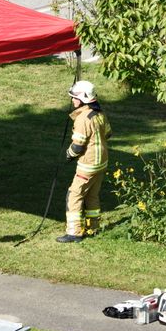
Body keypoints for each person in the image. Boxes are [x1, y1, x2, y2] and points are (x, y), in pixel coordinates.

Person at [58, 80, 111, 244]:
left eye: (74, 97)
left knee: (74, 196)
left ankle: (74, 233)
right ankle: (93, 227)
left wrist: (68, 154)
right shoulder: (100, 114)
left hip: (88, 165)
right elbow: (108, 133)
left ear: (83, 98)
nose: (72, 100)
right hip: (101, 162)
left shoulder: (82, 119)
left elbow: (78, 146)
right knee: (92, 195)